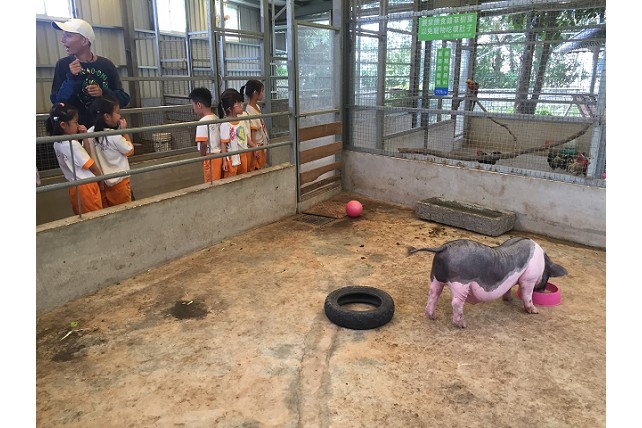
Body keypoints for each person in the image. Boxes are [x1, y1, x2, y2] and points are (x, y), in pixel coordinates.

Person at [50, 18, 130, 127]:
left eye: (68, 36)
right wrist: (72, 79)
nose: (63, 40)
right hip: (76, 131)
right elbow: (57, 101)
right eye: (63, 36)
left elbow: (123, 99)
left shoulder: (106, 65)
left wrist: (103, 93)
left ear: (84, 41)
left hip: (103, 131)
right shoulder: (63, 65)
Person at [47, 103, 104, 215]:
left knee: (81, 216)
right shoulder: (72, 144)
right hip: (86, 187)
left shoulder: (57, 143)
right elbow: (92, 166)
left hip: (74, 187)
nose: (78, 125)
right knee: (95, 217)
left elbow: (86, 156)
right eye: (75, 122)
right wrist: (101, 179)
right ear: (63, 125)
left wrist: (84, 137)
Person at [87, 96, 135, 207]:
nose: (119, 116)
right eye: (117, 113)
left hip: (101, 185)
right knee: (124, 212)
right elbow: (130, 150)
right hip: (119, 185)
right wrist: (124, 131)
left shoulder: (89, 133)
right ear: (107, 116)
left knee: (108, 213)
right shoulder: (114, 136)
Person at [217, 89, 256, 178]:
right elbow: (223, 144)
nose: (242, 105)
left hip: (243, 154)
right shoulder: (225, 124)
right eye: (238, 103)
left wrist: (255, 147)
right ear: (230, 108)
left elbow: (246, 138)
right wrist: (224, 161)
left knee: (243, 177)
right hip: (232, 157)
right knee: (231, 178)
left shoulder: (241, 121)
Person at [188, 87, 223, 183]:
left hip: (209, 156)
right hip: (220, 154)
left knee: (210, 182)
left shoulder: (202, 122)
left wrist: (202, 156)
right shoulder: (216, 118)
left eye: (193, 105)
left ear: (199, 105)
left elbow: (203, 143)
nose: (193, 108)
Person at [241, 80, 270, 171]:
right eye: (262, 91)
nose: (263, 94)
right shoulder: (250, 110)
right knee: (258, 168)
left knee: (262, 165)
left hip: (262, 143)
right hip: (257, 144)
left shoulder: (256, 106)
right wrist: (255, 148)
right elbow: (253, 131)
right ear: (255, 93)